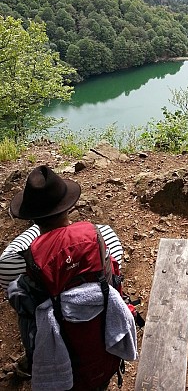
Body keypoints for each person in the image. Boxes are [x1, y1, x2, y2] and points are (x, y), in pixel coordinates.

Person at [1, 165, 137, 389]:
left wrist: (44, 237)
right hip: (104, 348)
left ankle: (34, 359)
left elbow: (11, 286)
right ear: (68, 207)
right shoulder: (103, 236)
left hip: (62, 356)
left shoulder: (20, 260)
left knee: (21, 294)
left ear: (32, 219)